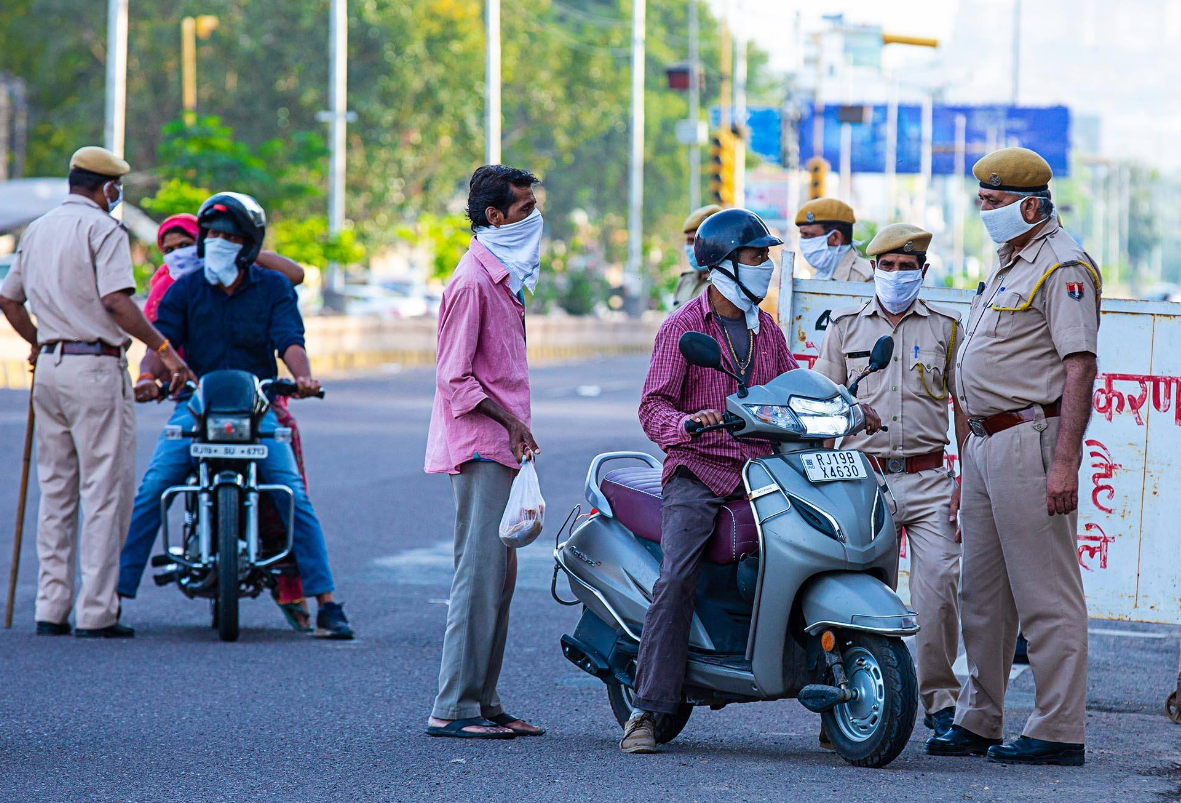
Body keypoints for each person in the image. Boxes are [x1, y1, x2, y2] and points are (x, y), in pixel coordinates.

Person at [620, 208, 882, 754]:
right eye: (754, 256)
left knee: (815, 548)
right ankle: (646, 708)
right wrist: (687, 423)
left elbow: (795, 387)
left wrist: (852, 408)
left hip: (762, 470)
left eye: (766, 256)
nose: (765, 265)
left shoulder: (768, 332)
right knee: (677, 575)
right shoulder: (682, 328)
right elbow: (652, 407)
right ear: (720, 265)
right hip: (699, 470)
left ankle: (823, 686)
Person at [927, 147, 1099, 766]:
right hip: (984, 446)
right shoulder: (1007, 264)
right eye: (982, 201)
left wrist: (1065, 462)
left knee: (1045, 594)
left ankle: (1058, 729)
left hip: (1031, 442)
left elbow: (1079, 366)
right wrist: (964, 459)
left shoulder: (1062, 265)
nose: (985, 211)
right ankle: (980, 717)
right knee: (982, 593)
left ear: (1031, 204)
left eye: (994, 202)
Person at [118, 192, 354, 639]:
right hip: (196, 406)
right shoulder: (185, 288)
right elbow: (160, 342)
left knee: (292, 496)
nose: (218, 243)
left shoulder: (273, 287)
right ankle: (113, 598)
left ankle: (326, 603)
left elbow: (290, 341)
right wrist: (147, 378)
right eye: (211, 235)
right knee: (153, 488)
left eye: (230, 236)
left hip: (259, 409)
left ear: (249, 244)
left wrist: (304, 378)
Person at [0, 146, 194, 638]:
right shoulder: (104, 230)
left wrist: (39, 342)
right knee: (105, 492)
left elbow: (8, 297)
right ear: (108, 187)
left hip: (50, 370)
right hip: (95, 369)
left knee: (57, 490)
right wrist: (164, 349)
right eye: (117, 187)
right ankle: (96, 612)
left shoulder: (38, 229)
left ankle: (51, 607)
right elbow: (117, 302)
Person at [814, 222, 967, 741]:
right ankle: (839, 697)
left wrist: (965, 478)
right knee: (851, 594)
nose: (897, 276)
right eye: (888, 267)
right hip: (862, 480)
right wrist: (853, 411)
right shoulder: (845, 327)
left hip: (928, 479)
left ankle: (940, 705)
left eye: (908, 268)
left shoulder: (947, 329)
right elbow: (823, 405)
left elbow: (964, 407)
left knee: (939, 591)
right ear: (873, 270)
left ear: (923, 272)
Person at [423, 165, 546, 740]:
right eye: (524, 208)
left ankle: (484, 700)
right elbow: (456, 379)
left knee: (500, 575)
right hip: (480, 443)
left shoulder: (503, 279)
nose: (534, 217)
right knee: (478, 574)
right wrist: (512, 421)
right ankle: (454, 707)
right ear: (493, 217)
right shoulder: (472, 282)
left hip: (502, 443)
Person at [795, 198, 873, 281]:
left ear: (835, 237)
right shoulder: (821, 274)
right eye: (802, 234)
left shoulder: (865, 278)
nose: (802, 241)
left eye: (808, 235)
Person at [672, 204, 721, 307]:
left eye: (697, 241)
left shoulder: (724, 284)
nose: (692, 247)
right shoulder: (685, 279)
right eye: (689, 241)